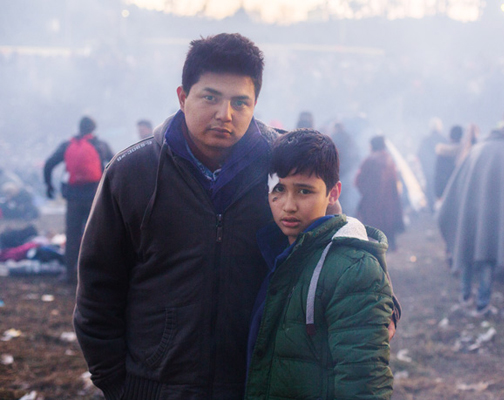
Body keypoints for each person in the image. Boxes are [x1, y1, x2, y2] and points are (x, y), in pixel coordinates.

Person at [73, 33, 398, 400]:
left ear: (255, 103)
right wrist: (119, 384)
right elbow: (98, 289)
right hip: (156, 386)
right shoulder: (133, 173)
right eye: (210, 97)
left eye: (240, 102)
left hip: (256, 385)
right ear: (183, 97)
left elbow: (338, 249)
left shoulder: (285, 167)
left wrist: (382, 311)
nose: (224, 114)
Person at [246, 129, 396, 400]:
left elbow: (363, 384)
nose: (288, 206)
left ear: (333, 193)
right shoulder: (279, 253)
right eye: (278, 190)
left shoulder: (352, 269)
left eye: (304, 191)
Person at [438, 126, 504, 315]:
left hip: (471, 214)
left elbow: (458, 184)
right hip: (495, 216)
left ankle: (465, 297)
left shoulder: (477, 149)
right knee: (487, 258)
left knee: (467, 252)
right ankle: (483, 304)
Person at [43, 116, 113, 283]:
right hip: (94, 197)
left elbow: (49, 164)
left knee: (72, 235)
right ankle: (95, 273)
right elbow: (115, 164)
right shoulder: (100, 145)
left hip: (73, 197)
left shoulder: (68, 144)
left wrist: (49, 185)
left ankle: (69, 273)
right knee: (95, 234)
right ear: (93, 129)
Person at [356, 135, 405, 251]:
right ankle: (390, 244)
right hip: (389, 200)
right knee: (388, 220)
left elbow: (359, 180)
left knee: (374, 223)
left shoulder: (370, 160)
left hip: (373, 200)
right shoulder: (389, 159)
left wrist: (366, 193)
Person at [417, 118, 445, 212]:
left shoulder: (425, 140)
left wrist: (426, 167)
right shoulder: (444, 139)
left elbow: (420, 155)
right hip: (442, 172)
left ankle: (432, 210)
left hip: (429, 171)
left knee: (430, 190)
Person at [433, 125, 463, 200]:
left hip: (445, 193)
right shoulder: (465, 154)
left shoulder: (442, 153)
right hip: (460, 193)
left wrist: (438, 194)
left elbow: (438, 176)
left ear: (449, 136)